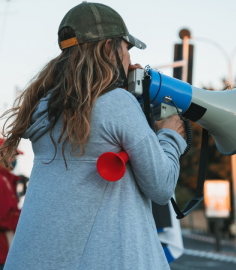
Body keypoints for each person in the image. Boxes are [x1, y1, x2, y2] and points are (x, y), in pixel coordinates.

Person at [0, 2, 186, 270]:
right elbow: (161, 186)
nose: (129, 59)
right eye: (125, 48)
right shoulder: (117, 104)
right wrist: (170, 136)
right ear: (108, 48)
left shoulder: (43, 108)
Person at [0, 139, 21, 270]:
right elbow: (3, 218)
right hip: (2, 251)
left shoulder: (7, 179)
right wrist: (26, 217)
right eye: (11, 154)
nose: (14, 158)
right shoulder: (2, 181)